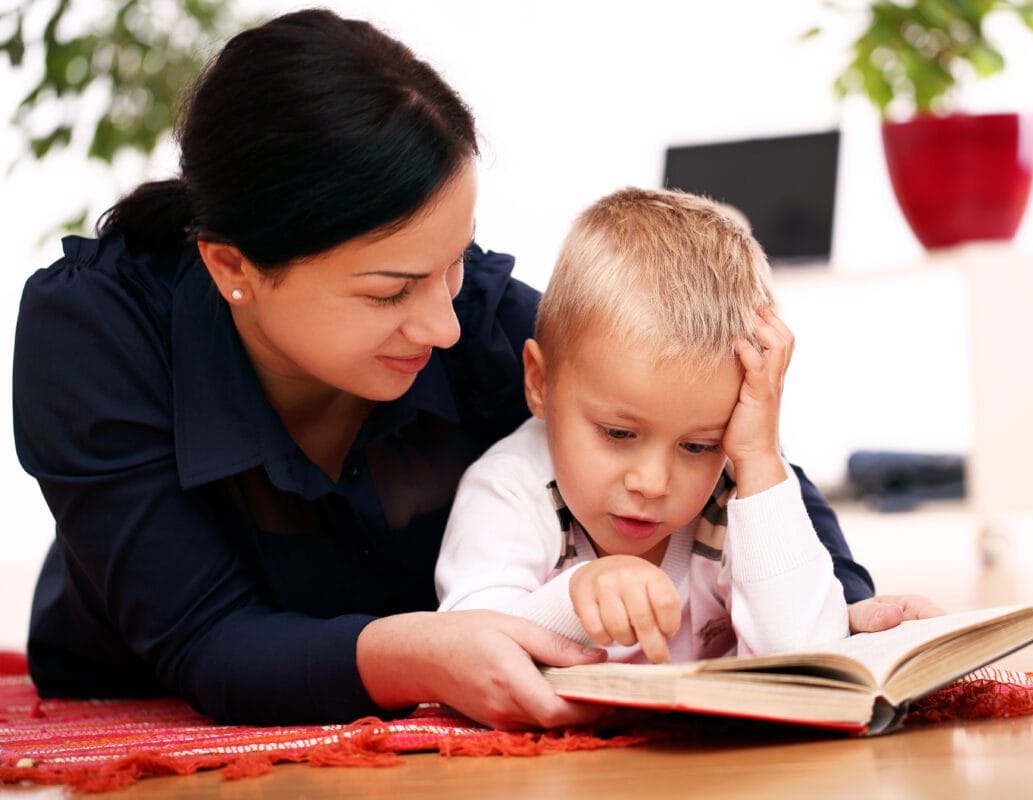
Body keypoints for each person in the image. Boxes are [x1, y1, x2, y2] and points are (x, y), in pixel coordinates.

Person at [11, 8, 938, 729]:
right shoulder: (93, 336)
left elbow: (705, 430)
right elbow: (206, 642)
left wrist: (833, 614)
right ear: (232, 269)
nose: (444, 325)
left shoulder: (486, 322)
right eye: (390, 290)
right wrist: (424, 653)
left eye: (454, 263)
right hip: (140, 691)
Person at [436, 188, 849, 663]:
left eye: (697, 446)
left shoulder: (738, 491)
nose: (652, 483)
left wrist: (759, 459)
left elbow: (814, 659)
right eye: (617, 433)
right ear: (539, 382)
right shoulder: (510, 489)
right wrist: (577, 596)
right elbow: (469, 647)